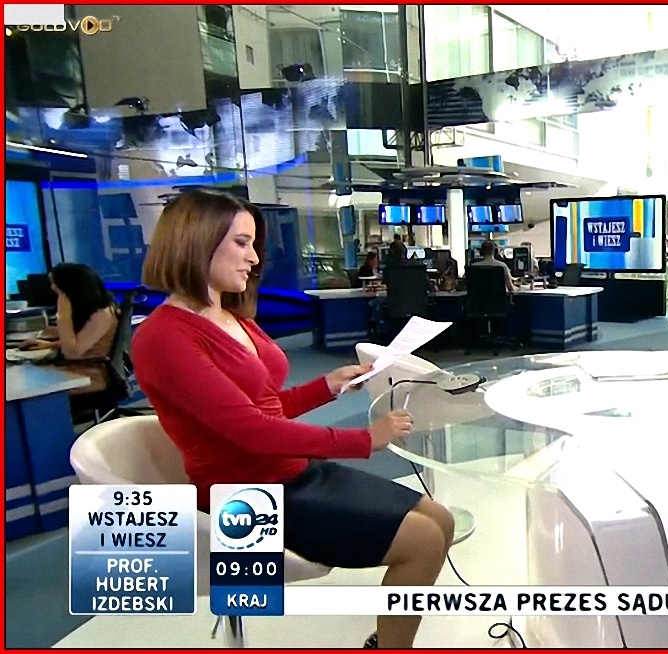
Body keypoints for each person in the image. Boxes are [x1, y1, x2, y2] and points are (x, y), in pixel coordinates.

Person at [131, 190, 451, 649]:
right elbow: (251, 430)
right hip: (245, 493)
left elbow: (262, 406)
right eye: (241, 243)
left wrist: (326, 386)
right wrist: (365, 440)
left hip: (292, 471)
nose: (254, 258)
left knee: (441, 519)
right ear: (197, 242)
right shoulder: (164, 337)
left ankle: (387, 640)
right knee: (423, 541)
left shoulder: (230, 315)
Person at [20, 263, 119, 395]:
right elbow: (83, 341)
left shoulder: (101, 314)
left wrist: (63, 317)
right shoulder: (95, 309)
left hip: (90, 375)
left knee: (26, 382)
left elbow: (72, 353)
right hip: (79, 368)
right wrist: (50, 345)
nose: (52, 288)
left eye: (54, 283)